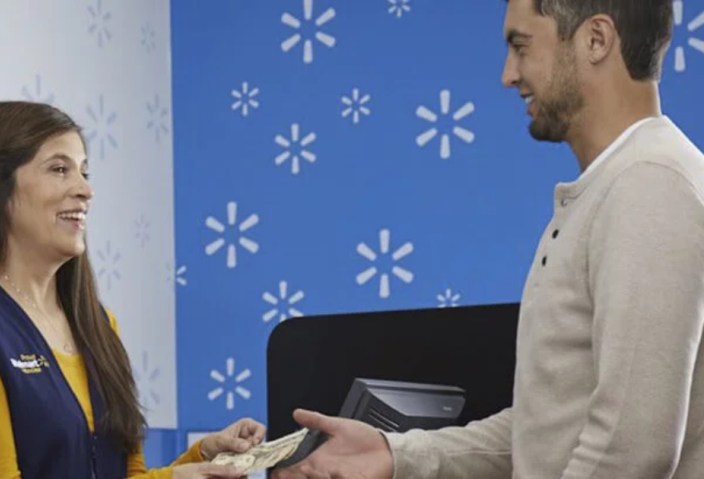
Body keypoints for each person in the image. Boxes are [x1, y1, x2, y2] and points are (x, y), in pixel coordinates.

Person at [274, 0, 704, 477]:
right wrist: (397, 453)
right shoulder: (614, 187)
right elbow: (547, 431)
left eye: (521, 46)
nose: (507, 74)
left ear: (596, 40)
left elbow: (632, 453)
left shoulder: (647, 185)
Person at [0, 101, 262, 478]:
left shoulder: (99, 324)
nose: (85, 190)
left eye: (84, 172)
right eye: (59, 169)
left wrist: (200, 460)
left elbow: (129, 475)